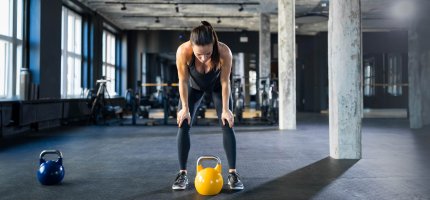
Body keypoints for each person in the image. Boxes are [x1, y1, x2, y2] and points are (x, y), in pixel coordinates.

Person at [172, 21, 244, 191]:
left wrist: (226, 110)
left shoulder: (224, 51)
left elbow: (225, 81)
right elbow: (182, 80)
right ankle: (182, 174)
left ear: (214, 44)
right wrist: (184, 109)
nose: (203, 58)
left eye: (208, 53)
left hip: (218, 88)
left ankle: (233, 174)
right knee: (183, 123)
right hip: (193, 88)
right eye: (199, 55)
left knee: (227, 123)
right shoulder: (183, 51)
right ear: (192, 47)